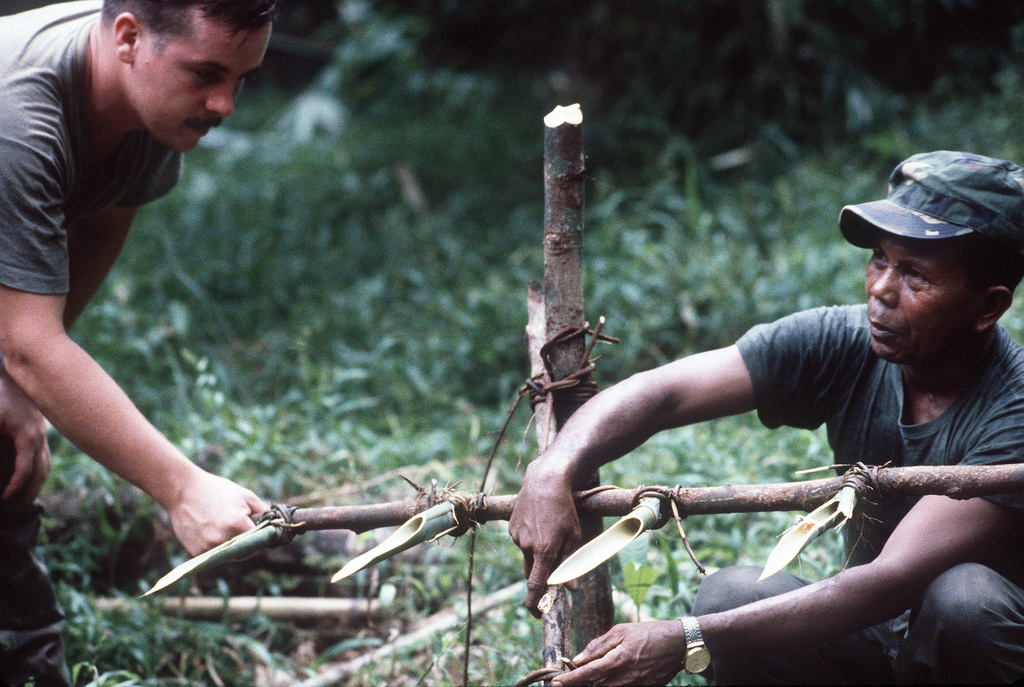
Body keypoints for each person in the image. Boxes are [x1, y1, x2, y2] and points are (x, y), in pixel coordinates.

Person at [509, 150, 1024, 685]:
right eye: (879, 258)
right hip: (880, 637)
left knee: (964, 599)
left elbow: (889, 581)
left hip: (971, 652)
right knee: (730, 594)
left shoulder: (1015, 409)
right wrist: (553, 468)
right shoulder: (844, 341)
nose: (880, 289)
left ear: (987, 308)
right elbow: (662, 392)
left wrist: (687, 636)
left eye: (915, 275)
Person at [0, 1, 278, 684]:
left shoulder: (151, 99)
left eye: (243, 78)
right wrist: (183, 488)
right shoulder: (20, 121)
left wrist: (16, 378)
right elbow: (32, 347)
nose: (225, 103)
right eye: (209, 74)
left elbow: (104, 214)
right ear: (127, 37)